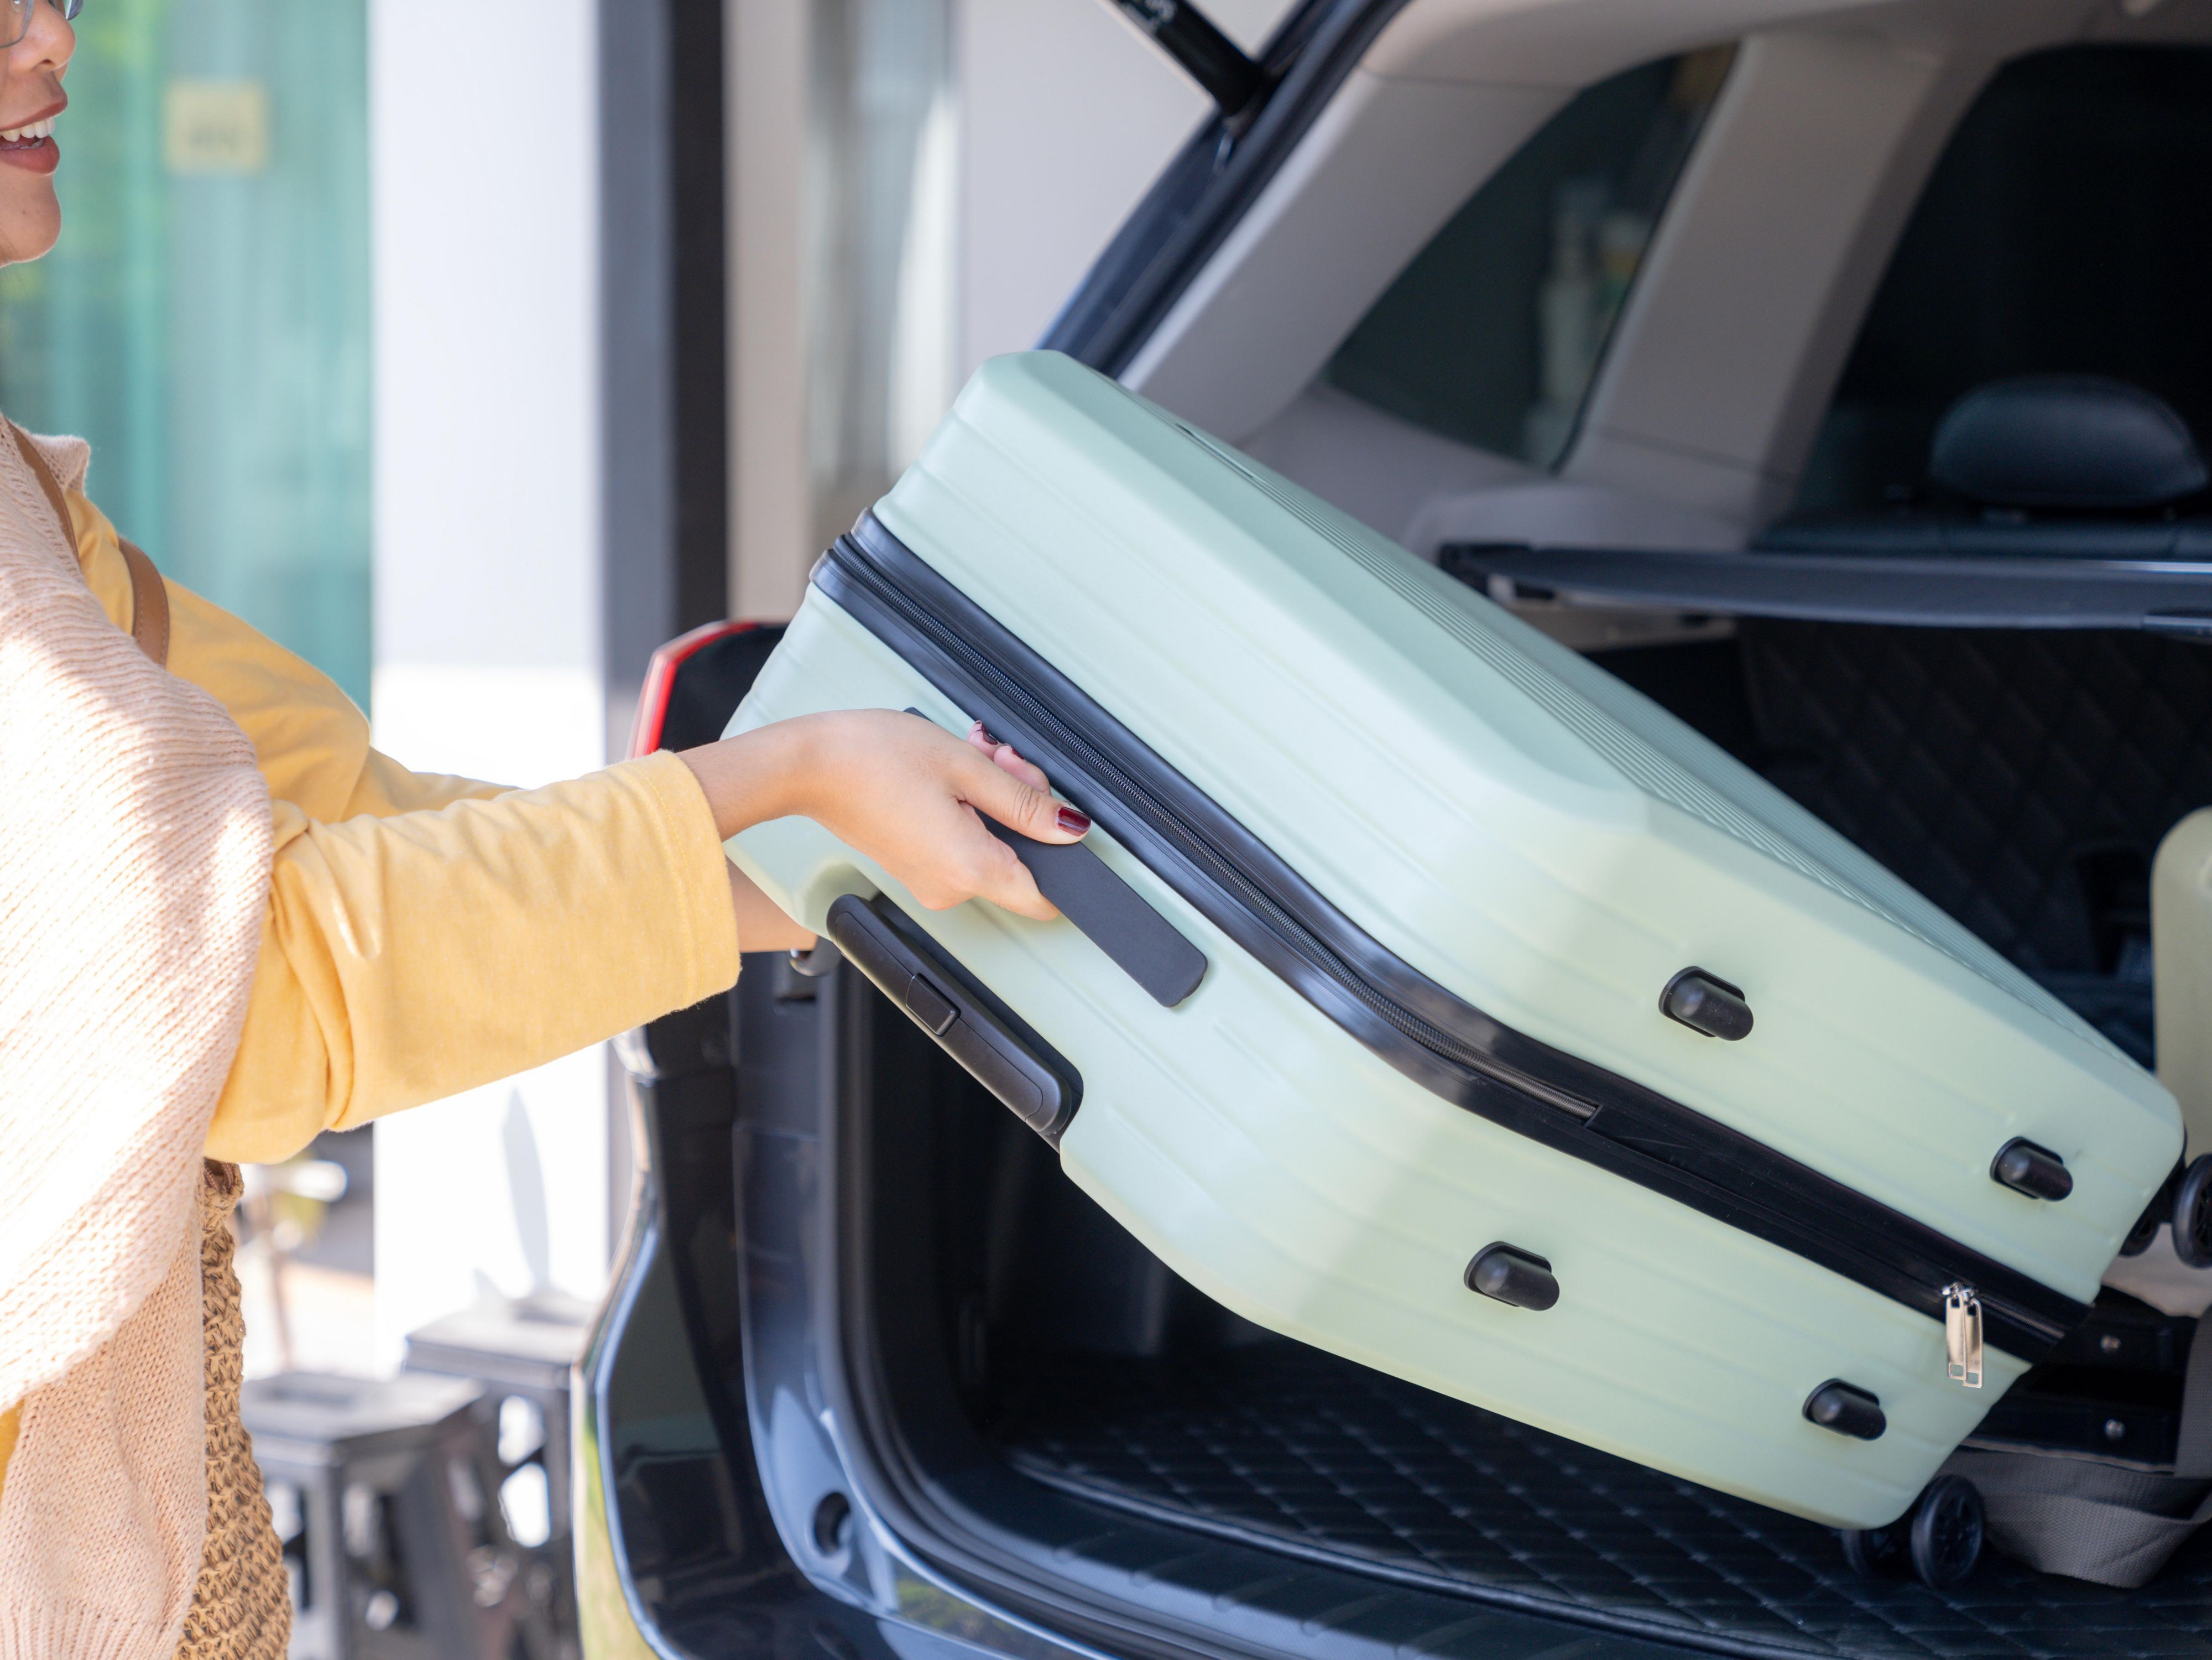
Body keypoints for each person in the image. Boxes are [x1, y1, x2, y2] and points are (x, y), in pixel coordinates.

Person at [0, 4, 1087, 1656]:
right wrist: (778, 779)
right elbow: (250, 996)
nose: (53, 35)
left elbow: (343, 827)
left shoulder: (32, 508)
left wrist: (796, 877)